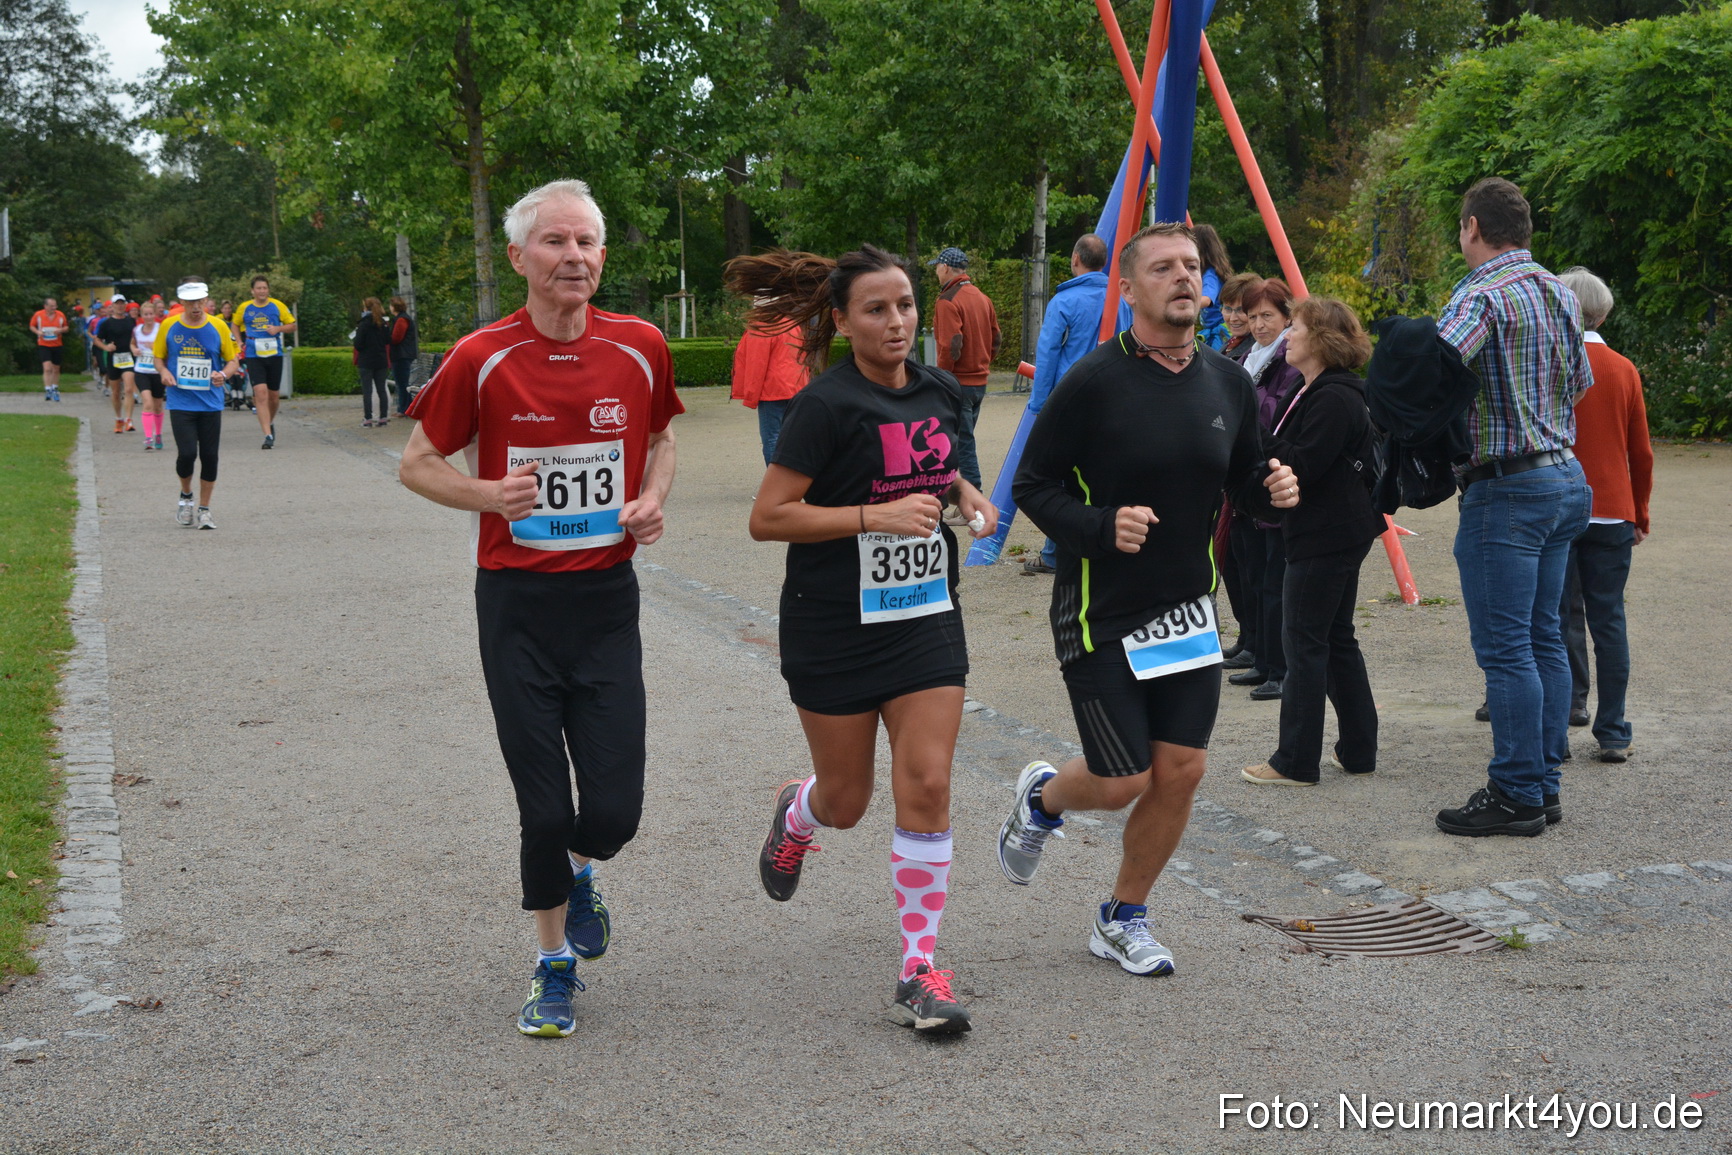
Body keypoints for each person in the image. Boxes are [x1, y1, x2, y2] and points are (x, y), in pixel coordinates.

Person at [400, 178, 682, 1039]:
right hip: (517, 605)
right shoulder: (482, 354)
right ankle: (552, 963)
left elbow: (663, 435)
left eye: (587, 243)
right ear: (520, 257)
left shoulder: (640, 345)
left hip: (605, 603)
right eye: (555, 242)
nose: (574, 257)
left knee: (612, 814)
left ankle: (580, 870)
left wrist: (651, 498)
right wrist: (491, 492)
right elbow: (417, 461)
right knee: (544, 807)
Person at [1001, 222, 1299, 976]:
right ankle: (1043, 798)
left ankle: (1121, 916)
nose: (1181, 278)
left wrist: (1275, 492)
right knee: (1123, 775)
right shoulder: (1095, 381)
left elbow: (1245, 477)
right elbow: (1033, 483)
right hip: (1101, 608)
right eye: (1162, 267)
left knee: (1182, 769)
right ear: (1127, 288)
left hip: (1184, 610)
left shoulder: (1229, 381)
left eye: (1191, 267)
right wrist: (1100, 526)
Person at [732, 243, 998, 1035]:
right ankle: (799, 813)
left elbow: (945, 469)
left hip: (923, 617)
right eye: (876, 310)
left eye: (906, 306)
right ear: (842, 321)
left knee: (928, 780)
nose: (896, 321)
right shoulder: (825, 405)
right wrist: (870, 516)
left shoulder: (941, 390)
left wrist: (969, 499)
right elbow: (767, 517)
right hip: (833, 623)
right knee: (848, 801)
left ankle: (919, 966)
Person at [1433, 178, 1592, 838]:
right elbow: (1580, 383)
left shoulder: (1480, 296)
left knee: (1506, 651)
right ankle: (1543, 784)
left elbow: (1432, 376)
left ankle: (1517, 791)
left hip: (1506, 489)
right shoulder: (1560, 289)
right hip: (1564, 478)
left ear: (1472, 227)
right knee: (1543, 638)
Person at [1242, 297, 1383, 785]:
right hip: (1335, 529)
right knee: (1335, 638)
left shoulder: (1334, 396)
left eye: (1295, 328)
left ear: (1321, 339)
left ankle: (1296, 760)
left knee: (1303, 640)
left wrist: (1252, 428)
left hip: (1327, 533)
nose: (1287, 337)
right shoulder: (1320, 390)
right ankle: (1359, 748)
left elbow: (1302, 464)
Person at [1555, 266, 1651, 765]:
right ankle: (1613, 730)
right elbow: (1641, 452)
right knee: (1608, 619)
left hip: (1558, 503)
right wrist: (1640, 511)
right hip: (1613, 509)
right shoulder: (1623, 369)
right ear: (1605, 312)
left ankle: (1561, 718)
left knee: (1554, 616)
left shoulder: (1552, 364)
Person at [1228, 277, 1303, 702]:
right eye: (1252, 316)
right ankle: (1260, 653)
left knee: (1275, 578)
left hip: (1274, 473)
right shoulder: (1252, 355)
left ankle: (1279, 666)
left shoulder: (1288, 356)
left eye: (1266, 316)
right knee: (1250, 571)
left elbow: (1275, 411)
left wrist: (1244, 403)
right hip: (1248, 476)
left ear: (1286, 317)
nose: (1257, 324)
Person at [1022, 234, 1110, 577]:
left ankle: (1054, 552)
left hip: (1070, 397)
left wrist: (1040, 403)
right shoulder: (1121, 297)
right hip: (1111, 394)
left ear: (1076, 259)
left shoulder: (1064, 301)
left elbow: (1048, 354)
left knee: (1058, 478)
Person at [154, 282, 242, 530]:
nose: (195, 307)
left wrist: (223, 376)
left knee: (210, 456)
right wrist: (163, 373)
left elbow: (233, 360)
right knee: (187, 454)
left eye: (199, 302)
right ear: (182, 303)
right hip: (181, 401)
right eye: (190, 302)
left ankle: (204, 509)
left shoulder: (218, 326)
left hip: (211, 403)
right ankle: (185, 497)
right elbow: (158, 357)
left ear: (205, 301)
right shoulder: (169, 326)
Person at [929, 246, 1001, 491]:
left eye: (937, 266)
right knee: (961, 442)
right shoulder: (983, 298)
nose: (936, 272)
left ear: (946, 267)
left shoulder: (947, 300)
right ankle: (964, 499)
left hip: (957, 383)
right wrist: (981, 362)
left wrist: (943, 378)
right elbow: (996, 339)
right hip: (979, 383)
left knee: (962, 446)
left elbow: (951, 344)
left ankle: (974, 500)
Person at [727, 303, 809, 465]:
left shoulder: (762, 327)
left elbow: (756, 364)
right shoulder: (790, 322)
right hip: (796, 388)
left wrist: (751, 397)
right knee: (792, 440)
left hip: (772, 391)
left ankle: (778, 487)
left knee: (772, 439)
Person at [234, 275, 298, 448]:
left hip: (274, 354)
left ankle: (269, 422)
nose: (262, 291)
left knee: (274, 396)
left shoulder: (277, 305)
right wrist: (239, 342)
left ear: (268, 290)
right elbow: (235, 324)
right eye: (258, 288)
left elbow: (292, 325)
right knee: (260, 393)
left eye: (264, 288)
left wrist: (278, 328)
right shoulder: (245, 307)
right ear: (252, 291)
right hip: (254, 355)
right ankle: (267, 435)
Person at [95, 297, 140, 435]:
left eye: (122, 304)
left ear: (125, 306)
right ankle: (118, 418)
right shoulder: (106, 323)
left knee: (128, 388)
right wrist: (106, 347)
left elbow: (137, 337)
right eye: (117, 304)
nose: (120, 306)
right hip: (114, 359)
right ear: (112, 306)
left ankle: (129, 419)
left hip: (128, 358)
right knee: (115, 392)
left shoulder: (131, 321)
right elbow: (97, 339)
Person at [1192, 224, 1234, 350]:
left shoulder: (1210, 275)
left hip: (1220, 331)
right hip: (1212, 329)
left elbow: (1206, 300)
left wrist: (1185, 305)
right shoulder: (1210, 272)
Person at [132, 299, 166, 451]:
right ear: (141, 315)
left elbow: (166, 347)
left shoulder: (160, 329)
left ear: (155, 314)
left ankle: (158, 434)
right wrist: (134, 350)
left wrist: (154, 347)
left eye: (151, 314)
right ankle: (148, 438)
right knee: (147, 403)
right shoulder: (137, 330)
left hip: (156, 371)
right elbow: (132, 343)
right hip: (141, 371)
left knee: (158, 406)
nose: (149, 317)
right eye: (145, 314)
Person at [354, 297, 392, 427]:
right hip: (380, 360)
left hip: (366, 360)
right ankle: (383, 418)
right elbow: (388, 340)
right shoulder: (383, 323)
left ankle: (368, 418)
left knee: (367, 391)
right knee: (381, 389)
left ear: (366, 308)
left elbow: (358, 344)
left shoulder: (363, 324)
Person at [1218, 273, 1261, 365]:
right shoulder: (1232, 342)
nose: (1233, 318)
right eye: (1228, 309)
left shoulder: (1259, 351)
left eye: (1241, 310)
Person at [387, 296, 419, 418]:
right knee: (402, 382)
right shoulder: (402, 318)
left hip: (401, 355)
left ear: (394, 307)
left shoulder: (401, 320)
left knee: (402, 383)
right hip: (403, 354)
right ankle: (404, 407)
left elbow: (396, 338)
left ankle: (404, 408)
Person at [30, 297, 67, 401]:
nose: (54, 308)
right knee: (47, 368)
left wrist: (60, 330)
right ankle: (47, 389)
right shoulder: (38, 315)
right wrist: (38, 332)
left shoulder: (60, 315)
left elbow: (66, 327)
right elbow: (32, 326)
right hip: (44, 344)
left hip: (57, 344)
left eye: (55, 306)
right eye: (51, 306)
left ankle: (55, 387)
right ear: (45, 306)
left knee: (56, 368)